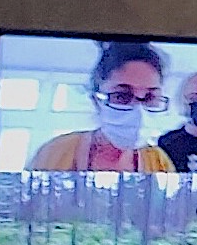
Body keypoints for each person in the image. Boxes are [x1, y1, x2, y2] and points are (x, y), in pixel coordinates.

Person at [30, 42, 175, 173]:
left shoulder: (159, 163)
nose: (139, 111)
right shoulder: (56, 154)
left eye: (150, 98)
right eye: (122, 96)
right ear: (96, 100)